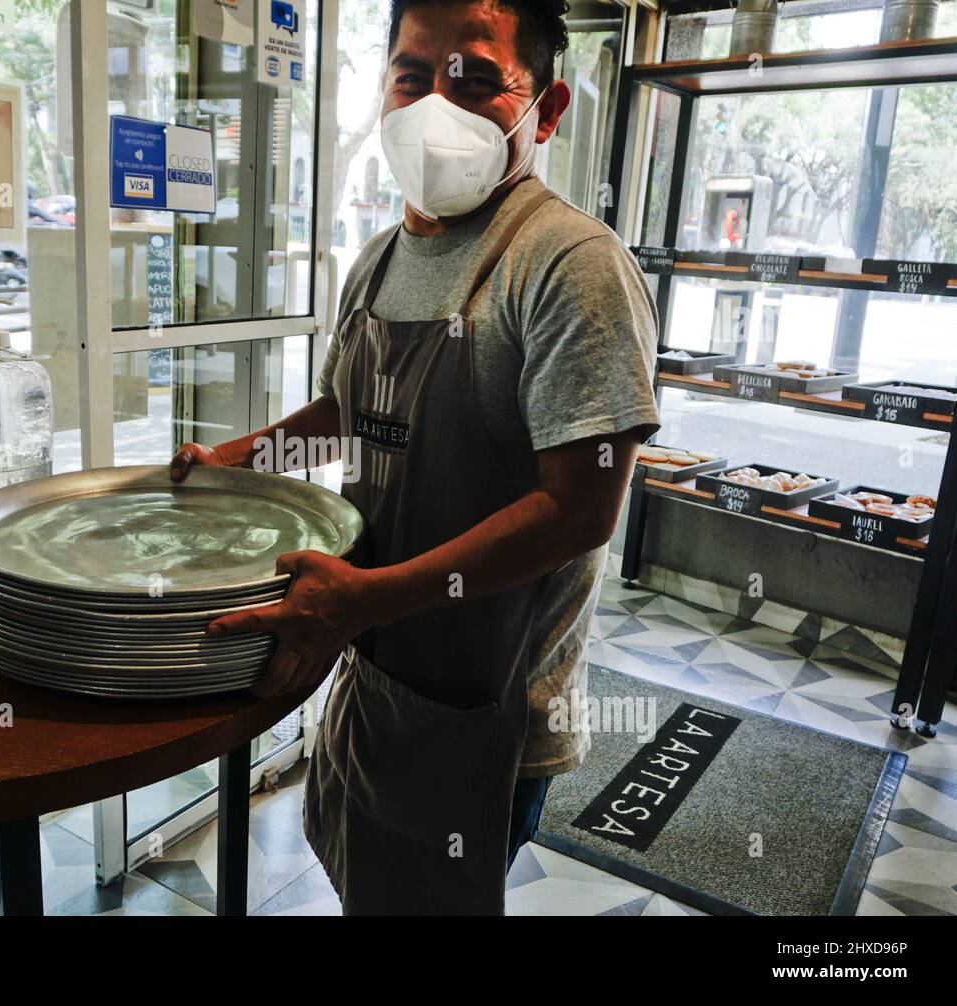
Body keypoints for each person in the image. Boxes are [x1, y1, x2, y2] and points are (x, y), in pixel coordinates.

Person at [170, 0, 659, 915]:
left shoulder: (570, 264)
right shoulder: (379, 258)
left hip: (486, 705)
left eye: (475, 77)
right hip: (374, 668)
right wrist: (234, 458)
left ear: (544, 109)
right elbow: (350, 411)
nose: (438, 100)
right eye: (412, 74)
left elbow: (582, 509)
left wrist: (367, 598)